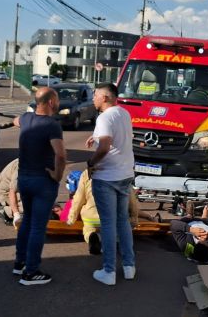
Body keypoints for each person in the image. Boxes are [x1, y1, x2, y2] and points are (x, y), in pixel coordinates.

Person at [12, 87, 67, 286]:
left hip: (24, 180)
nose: (59, 102)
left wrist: (14, 122)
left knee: (27, 221)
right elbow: (60, 155)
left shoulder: (26, 119)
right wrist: (57, 175)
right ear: (51, 102)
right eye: (58, 98)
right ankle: (31, 272)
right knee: (37, 227)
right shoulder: (52, 125)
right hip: (43, 181)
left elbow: (16, 121)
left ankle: (19, 262)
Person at [85, 82, 136, 286]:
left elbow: (105, 146)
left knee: (107, 224)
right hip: (125, 174)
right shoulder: (123, 113)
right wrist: (95, 136)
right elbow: (117, 137)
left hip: (107, 177)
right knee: (123, 221)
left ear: (105, 97)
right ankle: (129, 266)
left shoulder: (104, 117)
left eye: (95, 95)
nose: (93, 98)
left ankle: (109, 271)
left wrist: (90, 163)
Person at [0, 158, 22, 228]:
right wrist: (16, 215)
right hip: (6, 192)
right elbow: (12, 192)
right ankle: (6, 212)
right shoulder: (21, 167)